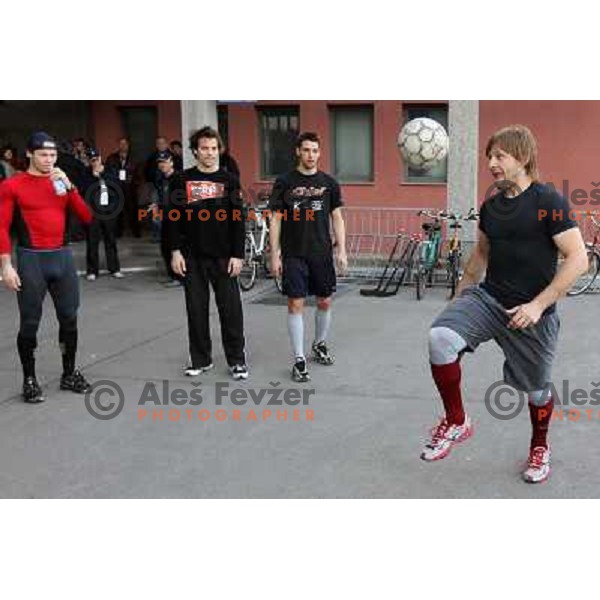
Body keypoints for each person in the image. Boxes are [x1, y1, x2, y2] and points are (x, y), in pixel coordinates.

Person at [421, 124, 588, 484]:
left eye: (500, 156)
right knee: (440, 339)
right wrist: (460, 298)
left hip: (532, 312)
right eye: (489, 157)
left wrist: (539, 305)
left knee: (537, 390)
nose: (492, 164)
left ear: (523, 157)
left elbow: (578, 258)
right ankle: (456, 420)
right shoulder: (491, 207)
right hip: (490, 299)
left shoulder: (548, 202)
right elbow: (479, 256)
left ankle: (539, 446)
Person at [0, 132, 94, 403]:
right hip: (31, 260)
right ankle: (29, 379)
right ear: (29, 153)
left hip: (62, 258)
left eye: (53, 155)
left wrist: (70, 186)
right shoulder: (12, 185)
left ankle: (69, 373)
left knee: (69, 318)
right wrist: (6, 265)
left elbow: (87, 217)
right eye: (43, 155)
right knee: (30, 323)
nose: (49, 160)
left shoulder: (60, 182)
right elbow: (2, 227)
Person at [168, 126, 248, 380]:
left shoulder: (230, 180)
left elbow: (238, 220)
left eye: (214, 148)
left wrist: (238, 254)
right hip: (192, 257)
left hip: (224, 257)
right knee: (196, 310)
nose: (210, 153)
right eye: (204, 148)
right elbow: (172, 220)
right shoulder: (181, 180)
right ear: (194, 151)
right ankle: (201, 359)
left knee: (231, 311)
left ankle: (237, 360)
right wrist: (174, 252)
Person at [268, 131, 347, 382]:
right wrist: (274, 254)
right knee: (295, 304)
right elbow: (276, 219)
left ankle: (319, 343)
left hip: (321, 252)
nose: (311, 155)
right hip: (293, 253)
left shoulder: (329, 183)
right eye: (306, 150)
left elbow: (337, 217)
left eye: (315, 150)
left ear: (319, 153)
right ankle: (299, 359)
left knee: (324, 301)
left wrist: (342, 250)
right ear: (298, 152)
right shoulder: (284, 181)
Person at [81, 147, 124, 280]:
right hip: (94, 211)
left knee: (110, 240)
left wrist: (102, 174)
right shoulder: (86, 174)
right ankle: (92, 271)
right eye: (92, 160)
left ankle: (115, 268)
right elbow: (83, 190)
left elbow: (117, 185)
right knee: (92, 241)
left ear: (100, 158)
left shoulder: (109, 170)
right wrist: (93, 177)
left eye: (97, 159)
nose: (95, 162)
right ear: (89, 161)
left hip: (109, 211)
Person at [148, 149, 181, 286]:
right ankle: (173, 275)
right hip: (165, 217)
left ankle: (180, 277)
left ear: (171, 162)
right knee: (165, 247)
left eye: (165, 162)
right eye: (160, 162)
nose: (162, 165)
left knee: (177, 247)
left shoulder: (179, 178)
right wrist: (156, 205)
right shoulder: (160, 179)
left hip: (178, 219)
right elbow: (160, 196)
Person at [105, 137, 136, 237]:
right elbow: (108, 171)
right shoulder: (112, 157)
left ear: (128, 145)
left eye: (125, 144)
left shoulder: (133, 157)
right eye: (121, 144)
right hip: (116, 187)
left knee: (131, 209)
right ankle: (118, 232)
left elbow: (137, 172)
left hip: (129, 187)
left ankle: (136, 231)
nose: (123, 146)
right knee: (117, 210)